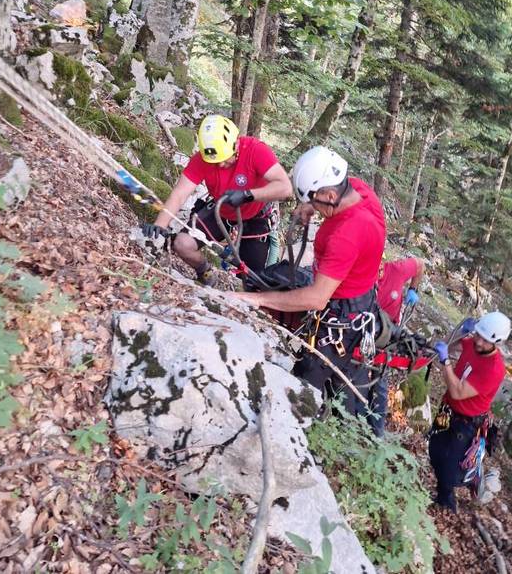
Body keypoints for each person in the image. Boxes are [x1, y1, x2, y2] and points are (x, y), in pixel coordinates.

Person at [234, 145, 387, 415]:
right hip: (358, 299)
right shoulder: (358, 189)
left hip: (342, 318)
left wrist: (255, 299)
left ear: (330, 195)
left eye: (315, 201)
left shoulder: (348, 234)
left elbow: (316, 298)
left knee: (304, 390)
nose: (314, 206)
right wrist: (309, 204)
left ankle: (303, 428)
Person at [142, 115, 293, 285]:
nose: (220, 165)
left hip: (254, 217)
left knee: (252, 279)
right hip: (221, 211)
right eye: (215, 161)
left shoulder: (256, 151)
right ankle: (204, 271)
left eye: (224, 159)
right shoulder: (203, 159)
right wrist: (160, 224)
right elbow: (179, 194)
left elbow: (285, 188)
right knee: (183, 244)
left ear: (235, 144)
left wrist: (247, 195)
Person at [428, 311, 511, 512]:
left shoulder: (494, 369)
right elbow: (447, 344)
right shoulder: (474, 343)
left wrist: (445, 362)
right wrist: (458, 333)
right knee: (435, 451)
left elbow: (457, 392)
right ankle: (444, 497)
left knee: (452, 470)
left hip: (467, 423)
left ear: (497, 343)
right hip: (448, 411)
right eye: (478, 335)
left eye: (485, 340)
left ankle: (451, 500)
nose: (479, 342)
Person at [364, 255, 425, 436]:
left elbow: (420, 264)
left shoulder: (397, 271)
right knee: (357, 373)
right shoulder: (363, 275)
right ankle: (356, 417)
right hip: (364, 327)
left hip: (389, 332)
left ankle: (376, 431)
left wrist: (413, 289)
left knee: (380, 379)